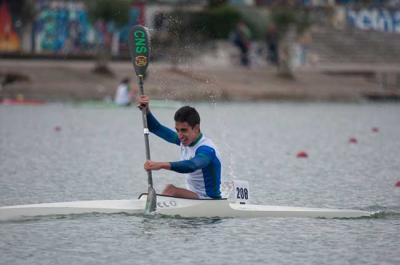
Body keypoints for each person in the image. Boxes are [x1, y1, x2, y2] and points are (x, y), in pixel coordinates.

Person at [137, 95, 222, 199]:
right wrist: (147, 110)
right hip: (195, 197)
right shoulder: (184, 139)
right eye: (177, 130)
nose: (180, 135)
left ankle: (155, 211)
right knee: (170, 190)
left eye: (183, 130)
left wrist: (161, 165)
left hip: (209, 200)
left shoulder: (206, 150)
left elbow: (191, 165)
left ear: (196, 128)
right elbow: (156, 128)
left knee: (171, 190)